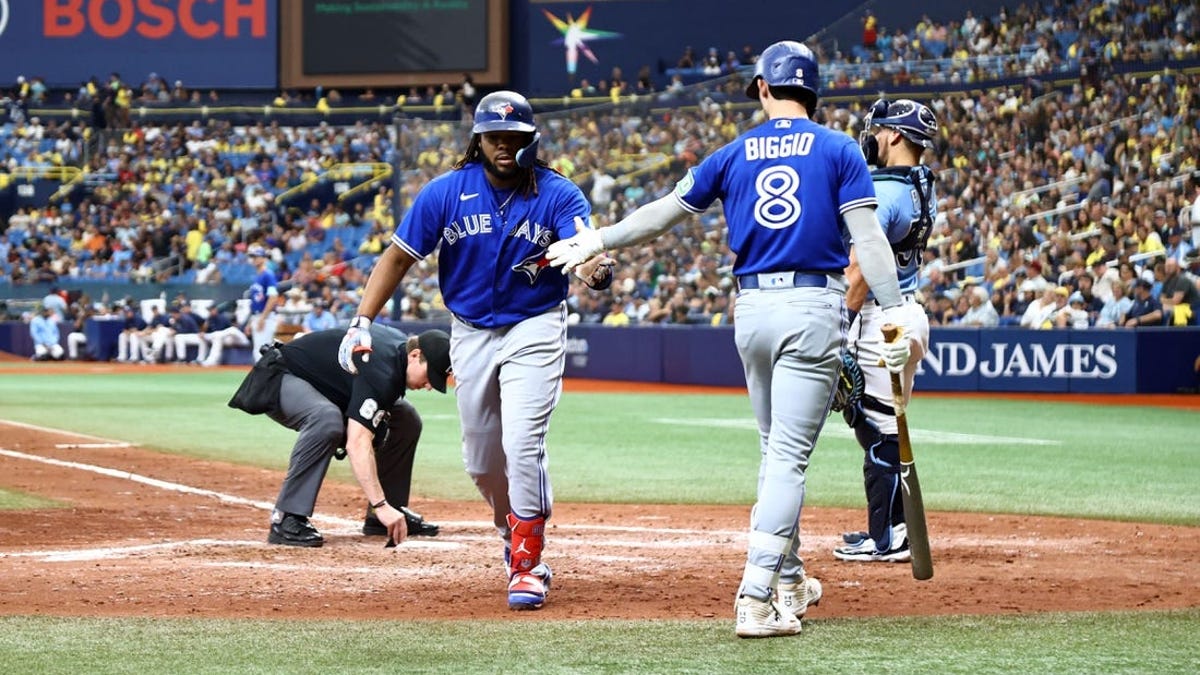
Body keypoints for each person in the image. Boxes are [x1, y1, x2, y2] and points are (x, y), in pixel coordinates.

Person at [546, 41, 912, 638]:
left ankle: (790, 580)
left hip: (752, 310)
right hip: (811, 304)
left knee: (774, 455)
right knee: (789, 460)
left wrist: (599, 240)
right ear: (812, 91)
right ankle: (755, 596)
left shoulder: (734, 151)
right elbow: (868, 241)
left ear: (765, 90)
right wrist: (894, 312)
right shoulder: (841, 147)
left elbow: (664, 212)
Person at [336, 90, 612, 611]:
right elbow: (398, 258)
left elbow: (586, 252)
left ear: (531, 140)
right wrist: (361, 320)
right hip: (470, 331)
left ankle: (527, 562)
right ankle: (513, 532)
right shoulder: (446, 192)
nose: (504, 145)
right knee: (483, 460)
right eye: (494, 136)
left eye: (514, 137)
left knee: (522, 440)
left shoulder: (559, 194)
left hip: (535, 325)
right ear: (478, 140)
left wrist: (593, 268)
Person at [834, 97, 939, 565]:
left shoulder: (886, 192)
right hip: (906, 310)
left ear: (895, 136)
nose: (870, 137)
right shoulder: (919, 184)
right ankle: (889, 528)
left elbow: (860, 267)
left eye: (878, 131)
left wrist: (842, 327)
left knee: (877, 428)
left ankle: (889, 536)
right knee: (877, 421)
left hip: (881, 315)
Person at [237, 326, 451, 548]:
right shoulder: (382, 369)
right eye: (430, 377)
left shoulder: (398, 354)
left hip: (328, 388)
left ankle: (387, 514)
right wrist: (380, 503)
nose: (429, 386)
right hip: (282, 376)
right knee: (326, 420)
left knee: (406, 418)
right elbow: (357, 443)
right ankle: (287, 516)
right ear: (415, 356)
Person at [246, 244, 281, 360]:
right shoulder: (257, 276)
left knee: (262, 352)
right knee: (258, 351)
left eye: (256, 256)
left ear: (263, 258)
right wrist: (251, 320)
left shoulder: (268, 275)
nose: (254, 259)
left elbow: (273, 297)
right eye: (252, 257)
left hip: (266, 317)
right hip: (258, 316)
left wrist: (262, 318)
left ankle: (263, 378)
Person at [200, 303, 250, 367]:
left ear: (215, 309)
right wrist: (204, 328)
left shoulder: (222, 317)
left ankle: (209, 336)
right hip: (229, 340)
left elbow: (234, 327)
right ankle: (212, 361)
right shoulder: (210, 319)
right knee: (217, 338)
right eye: (209, 310)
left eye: (211, 309)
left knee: (231, 330)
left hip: (241, 339)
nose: (210, 311)